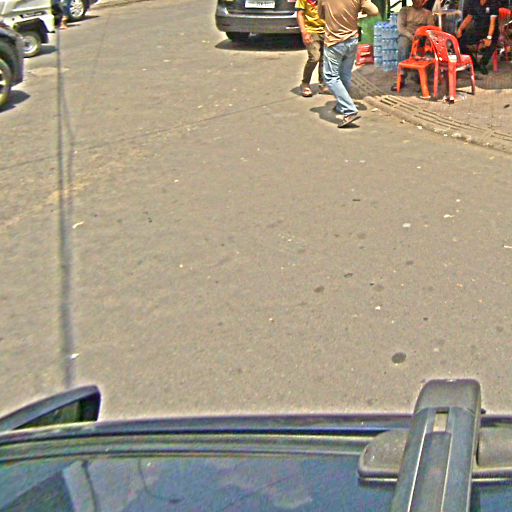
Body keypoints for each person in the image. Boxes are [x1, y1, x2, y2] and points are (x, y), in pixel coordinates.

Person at [318, 0, 379, 127]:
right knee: (345, 74)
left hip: (334, 41)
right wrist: (358, 15)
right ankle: (342, 106)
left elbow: (321, 15)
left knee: (331, 77)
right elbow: (374, 11)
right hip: (352, 40)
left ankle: (349, 110)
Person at [392, 0, 435, 91]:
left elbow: (431, 29)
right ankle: (401, 76)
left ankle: (422, 78)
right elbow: (401, 28)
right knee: (403, 45)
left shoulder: (427, 13)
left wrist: (426, 41)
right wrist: (411, 37)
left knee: (430, 50)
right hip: (407, 35)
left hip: (422, 37)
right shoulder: (404, 10)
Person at [296, 0, 330, 97]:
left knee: (324, 58)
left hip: (327, 30)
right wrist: (304, 32)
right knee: (314, 57)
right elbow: (300, 14)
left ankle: (323, 84)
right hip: (311, 31)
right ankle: (305, 83)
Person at [457, 0, 500, 74]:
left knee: (492, 42)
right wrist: (460, 29)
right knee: (460, 41)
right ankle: (473, 64)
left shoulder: (494, 3)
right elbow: (469, 17)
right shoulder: (473, 2)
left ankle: (483, 63)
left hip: (491, 31)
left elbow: (492, 23)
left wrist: (489, 37)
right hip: (477, 29)